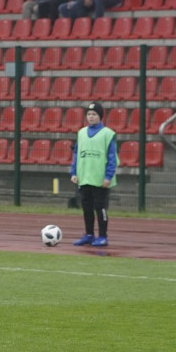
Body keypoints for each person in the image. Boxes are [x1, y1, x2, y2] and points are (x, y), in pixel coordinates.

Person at [70, 102, 117, 247]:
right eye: (89, 114)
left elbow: (112, 158)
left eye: (94, 114)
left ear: (100, 116)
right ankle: (89, 234)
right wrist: (74, 172)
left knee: (100, 208)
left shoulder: (108, 134)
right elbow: (76, 154)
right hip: (85, 177)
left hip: (99, 179)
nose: (91, 117)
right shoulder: (81, 133)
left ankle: (103, 236)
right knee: (87, 208)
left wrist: (108, 176)